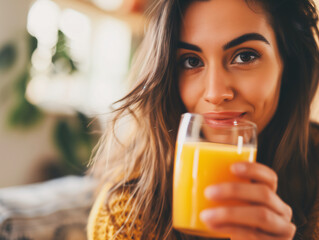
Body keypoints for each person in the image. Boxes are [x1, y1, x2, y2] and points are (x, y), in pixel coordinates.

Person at [87, 0, 319, 239]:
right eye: (192, 61)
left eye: (245, 56)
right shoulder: (125, 211)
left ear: (288, 65)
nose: (215, 93)